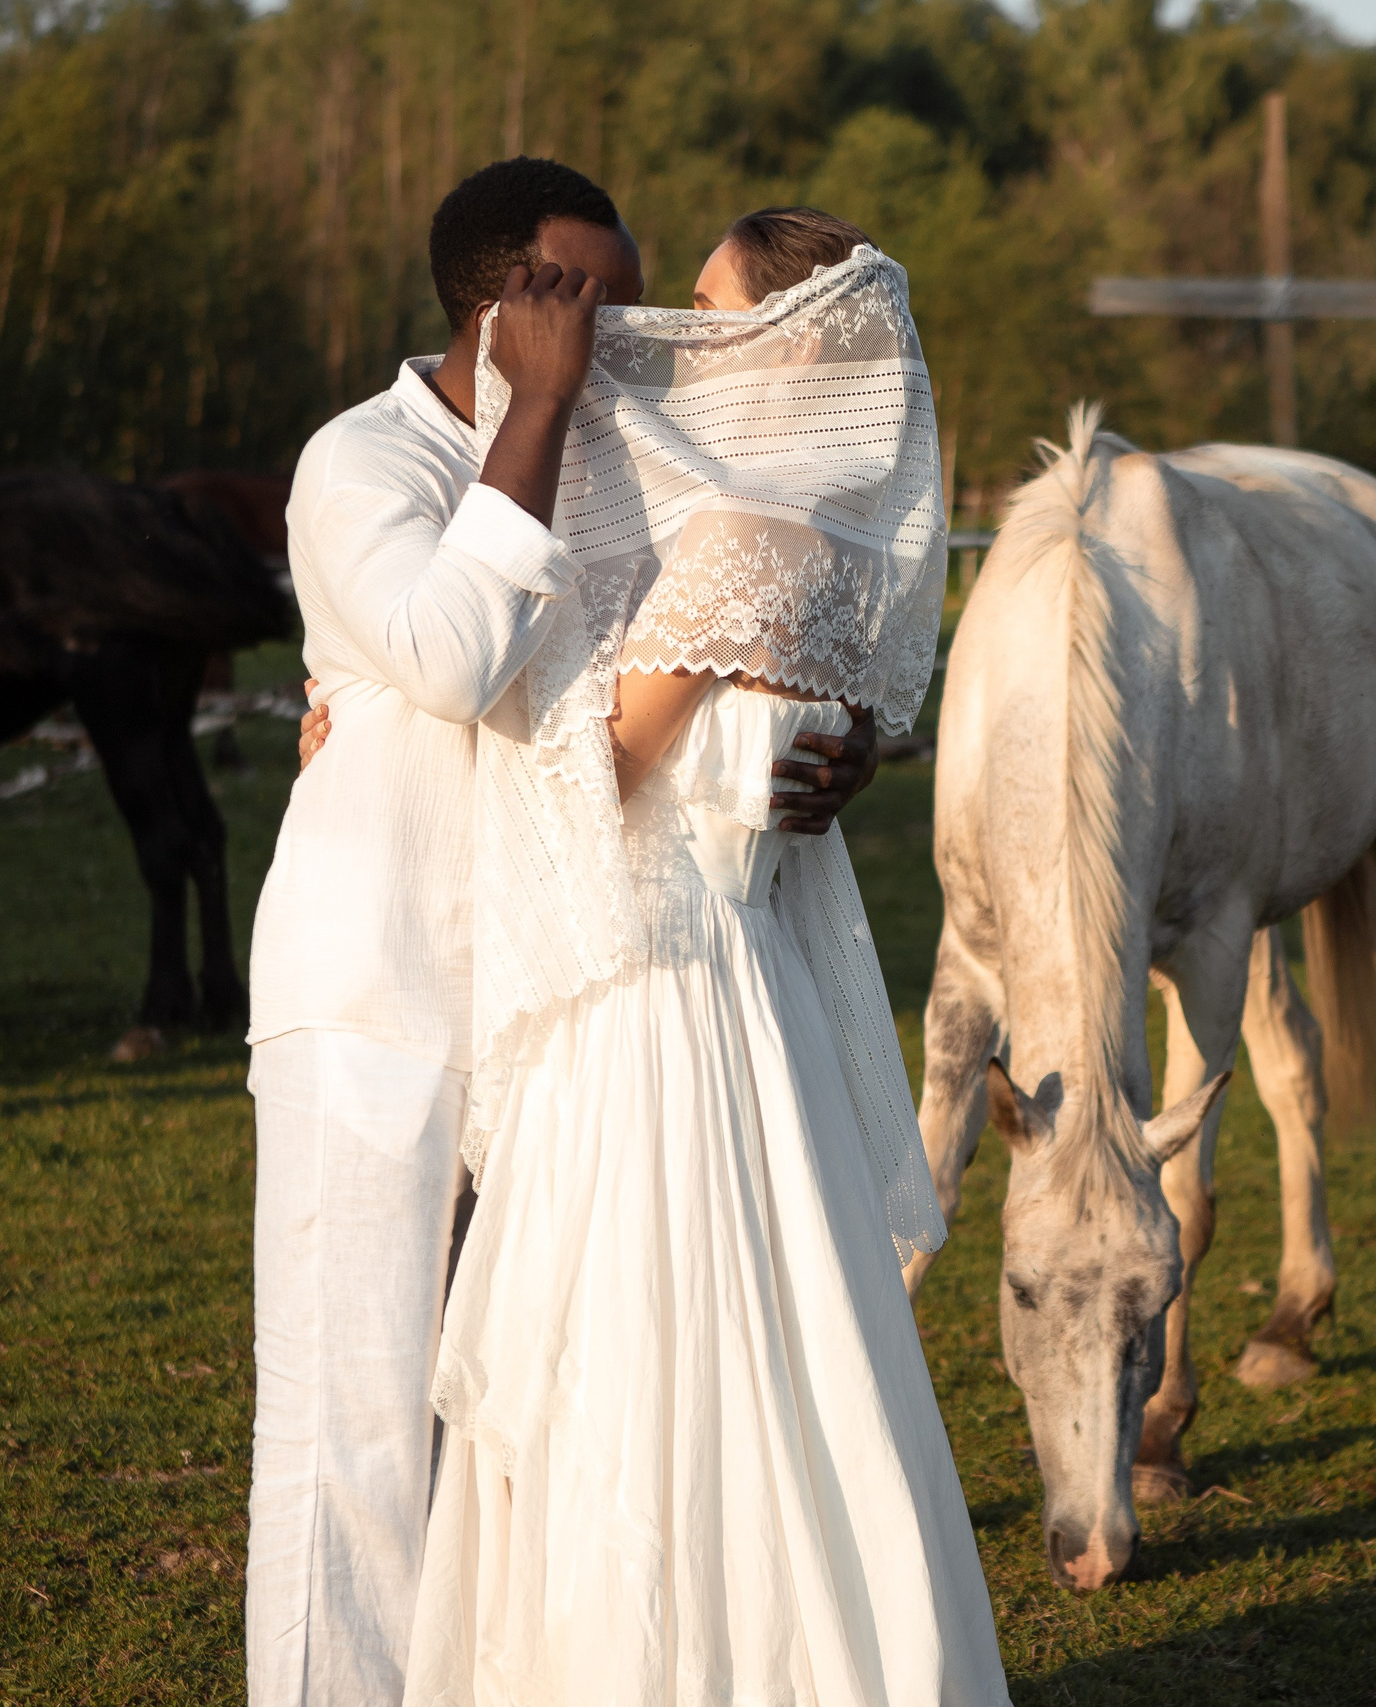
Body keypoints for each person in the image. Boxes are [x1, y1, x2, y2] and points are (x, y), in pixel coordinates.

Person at [244, 162, 880, 1707]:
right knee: (355, 1428)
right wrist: (529, 418)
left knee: (517, 1424)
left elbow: (694, 667)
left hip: (568, 993)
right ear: (503, 307)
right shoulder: (361, 465)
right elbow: (456, 664)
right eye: (587, 298)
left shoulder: (618, 458)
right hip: (380, 983)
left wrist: (840, 743)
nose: (631, 328)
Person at [398, 218, 1013, 1704]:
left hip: (657, 1001)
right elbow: (797, 743)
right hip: (744, 982)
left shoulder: (740, 539)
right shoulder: (837, 538)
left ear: (782, 350)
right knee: (783, 1368)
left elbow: (604, 765)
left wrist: (424, 713)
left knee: (652, 1369)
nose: (681, 346)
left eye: (714, 319)